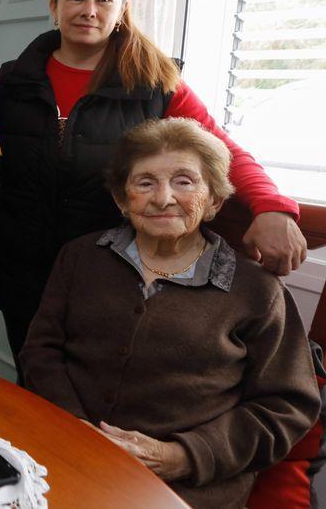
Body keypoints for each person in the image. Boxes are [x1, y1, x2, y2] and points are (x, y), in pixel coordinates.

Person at [0, 0, 307, 369]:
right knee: (32, 384)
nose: (89, 10)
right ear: (54, 7)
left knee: (94, 395)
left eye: (104, 0)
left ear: (121, 11)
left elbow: (222, 150)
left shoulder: (155, 84)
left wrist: (272, 207)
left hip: (112, 276)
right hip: (21, 272)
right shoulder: (12, 82)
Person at [20, 118, 319, 508]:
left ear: (214, 200)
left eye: (184, 181)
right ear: (122, 200)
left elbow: (286, 407)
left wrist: (182, 457)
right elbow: (41, 350)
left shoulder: (257, 290)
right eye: (145, 183)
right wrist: (73, 427)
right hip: (67, 449)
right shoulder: (80, 257)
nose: (163, 198)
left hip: (186, 485)